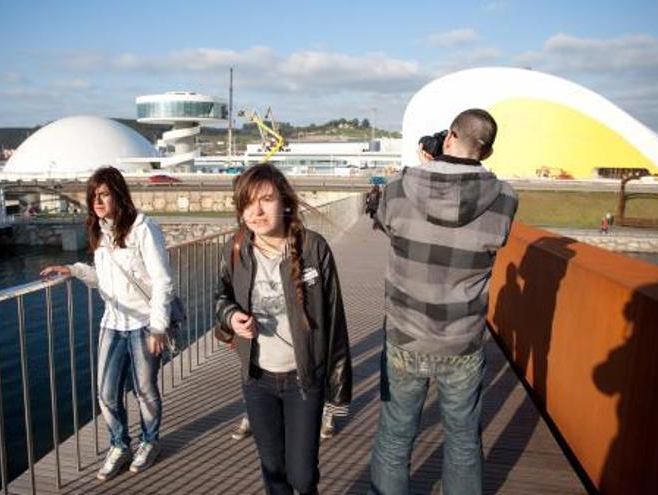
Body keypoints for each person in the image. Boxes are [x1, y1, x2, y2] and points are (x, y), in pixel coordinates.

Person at [370, 109, 518, 495]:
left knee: (394, 439)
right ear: (486, 151)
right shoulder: (504, 199)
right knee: (464, 442)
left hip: (405, 335)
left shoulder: (401, 187)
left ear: (449, 137)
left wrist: (426, 167)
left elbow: (386, 221)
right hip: (463, 341)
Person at [214, 163, 352, 494]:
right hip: (257, 379)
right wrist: (231, 316)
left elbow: (335, 318)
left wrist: (339, 389)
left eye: (266, 200)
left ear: (285, 202)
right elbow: (220, 297)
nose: (256, 211)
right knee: (273, 472)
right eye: (248, 203)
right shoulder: (236, 249)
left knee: (303, 477)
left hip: (303, 378)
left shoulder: (313, 248)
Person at [40, 166, 174, 481]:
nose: (97, 201)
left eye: (103, 194)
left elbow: (162, 281)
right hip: (112, 322)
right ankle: (119, 444)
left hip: (143, 322)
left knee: (144, 390)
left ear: (118, 194)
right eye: (93, 196)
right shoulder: (100, 230)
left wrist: (158, 327)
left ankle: (150, 440)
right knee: (106, 392)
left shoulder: (143, 228)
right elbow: (103, 278)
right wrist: (73, 270)